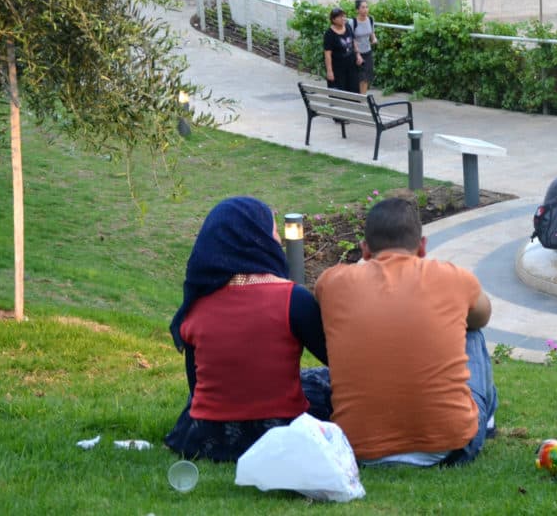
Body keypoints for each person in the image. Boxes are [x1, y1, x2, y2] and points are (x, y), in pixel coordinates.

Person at [313, 197, 497, 466]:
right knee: (472, 332)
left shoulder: (332, 282)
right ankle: (486, 422)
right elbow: (482, 317)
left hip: (359, 450)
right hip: (450, 447)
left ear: (365, 249)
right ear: (422, 246)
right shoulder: (455, 277)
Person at [164, 196, 330, 462]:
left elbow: (196, 390)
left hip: (209, 439)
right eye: (273, 232)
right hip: (280, 434)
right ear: (256, 240)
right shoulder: (293, 299)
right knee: (322, 380)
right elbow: (337, 360)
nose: (278, 241)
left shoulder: (195, 307)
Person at [323, 6, 360, 93]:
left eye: (344, 16)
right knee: (339, 94)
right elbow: (327, 55)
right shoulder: (329, 34)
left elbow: (353, 41)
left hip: (352, 66)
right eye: (340, 17)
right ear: (333, 19)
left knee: (354, 91)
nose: (343, 18)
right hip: (338, 70)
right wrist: (329, 71)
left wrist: (358, 55)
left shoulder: (347, 27)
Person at [351, 0, 378, 94]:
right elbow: (351, 39)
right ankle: (358, 97)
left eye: (367, 7)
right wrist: (357, 53)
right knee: (359, 77)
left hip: (368, 52)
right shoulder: (352, 22)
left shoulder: (370, 19)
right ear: (357, 10)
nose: (365, 9)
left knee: (366, 77)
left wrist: (374, 39)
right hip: (356, 53)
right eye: (363, 7)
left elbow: (372, 32)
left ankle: (362, 98)